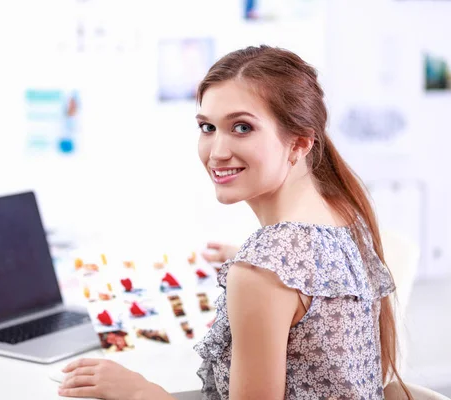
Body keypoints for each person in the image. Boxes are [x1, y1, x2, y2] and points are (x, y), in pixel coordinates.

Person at [57, 45, 411, 399]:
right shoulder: (344, 214)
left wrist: (138, 391)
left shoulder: (265, 270)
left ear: (299, 143)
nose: (217, 151)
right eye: (207, 127)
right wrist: (250, 264)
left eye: (242, 127)